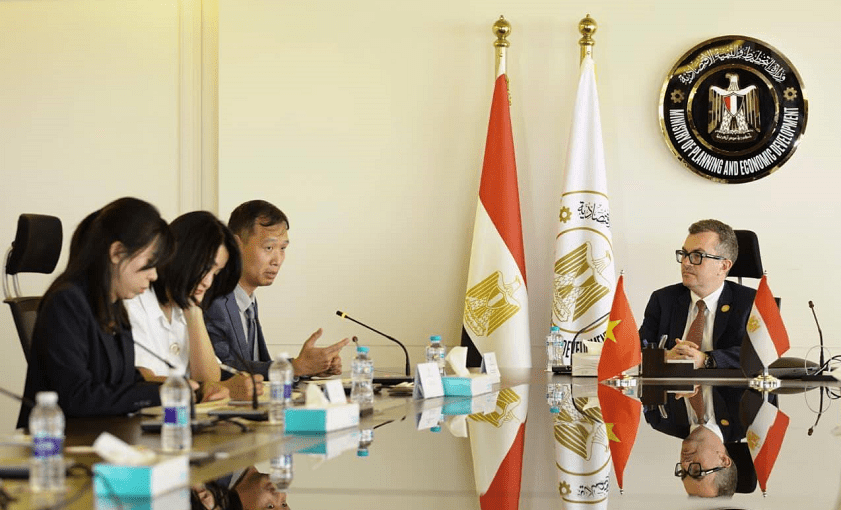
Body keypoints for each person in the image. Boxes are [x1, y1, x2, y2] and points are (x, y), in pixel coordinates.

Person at [17, 197, 175, 429]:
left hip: (108, 435)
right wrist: (157, 394)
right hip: (62, 441)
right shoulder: (66, 301)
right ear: (117, 252)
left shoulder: (114, 304)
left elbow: (114, 379)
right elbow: (76, 396)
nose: (154, 276)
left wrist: (179, 387)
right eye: (150, 263)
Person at [125, 211, 262, 400]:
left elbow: (209, 378)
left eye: (215, 273)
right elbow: (142, 379)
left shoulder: (183, 308)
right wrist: (222, 389)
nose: (208, 282)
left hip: (180, 415)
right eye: (206, 268)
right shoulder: (133, 302)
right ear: (180, 255)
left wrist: (194, 312)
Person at [205, 200, 348, 379]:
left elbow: (256, 365)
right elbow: (221, 369)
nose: (277, 260)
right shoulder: (214, 299)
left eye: (282, 248)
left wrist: (308, 368)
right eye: (269, 248)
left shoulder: (248, 301)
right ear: (236, 245)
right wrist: (294, 367)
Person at [638, 219, 756, 369]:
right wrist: (665, 356)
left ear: (724, 265)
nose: (686, 263)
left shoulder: (752, 302)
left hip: (726, 384)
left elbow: (759, 354)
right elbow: (638, 349)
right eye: (684, 254)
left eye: (697, 255)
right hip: (672, 383)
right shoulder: (663, 300)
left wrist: (706, 359)